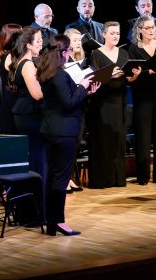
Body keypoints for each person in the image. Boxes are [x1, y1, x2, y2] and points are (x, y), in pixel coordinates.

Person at [36, 34, 99, 236]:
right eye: (69, 50)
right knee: (61, 179)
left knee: (52, 177)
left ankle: (51, 221)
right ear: (63, 52)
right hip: (64, 132)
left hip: (50, 130)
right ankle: (58, 222)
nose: (70, 54)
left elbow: (63, 100)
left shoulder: (45, 72)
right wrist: (82, 85)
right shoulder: (60, 74)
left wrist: (86, 93)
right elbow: (69, 102)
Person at [127, 14, 156, 185]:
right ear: (139, 30)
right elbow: (133, 72)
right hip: (142, 96)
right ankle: (143, 176)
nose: (151, 31)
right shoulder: (133, 48)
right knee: (143, 137)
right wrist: (150, 72)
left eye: (153, 27)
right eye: (147, 28)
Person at [8, 26, 46, 219]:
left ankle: (30, 211)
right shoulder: (28, 64)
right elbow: (37, 94)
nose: (41, 43)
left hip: (27, 115)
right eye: (38, 40)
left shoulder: (25, 61)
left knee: (34, 162)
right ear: (28, 45)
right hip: (29, 116)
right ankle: (33, 213)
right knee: (36, 163)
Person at [87, 21, 130, 188]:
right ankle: (102, 180)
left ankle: (118, 179)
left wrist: (132, 76)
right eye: (112, 33)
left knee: (118, 139)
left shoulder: (124, 53)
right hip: (102, 103)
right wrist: (110, 76)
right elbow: (96, 79)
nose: (115, 36)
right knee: (103, 139)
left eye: (117, 33)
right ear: (104, 35)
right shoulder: (96, 54)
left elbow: (128, 78)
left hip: (119, 100)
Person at [64, 28, 87, 193]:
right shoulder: (65, 62)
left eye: (80, 40)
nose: (78, 43)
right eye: (74, 40)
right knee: (68, 146)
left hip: (80, 107)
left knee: (75, 145)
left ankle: (69, 178)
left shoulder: (80, 60)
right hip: (68, 109)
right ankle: (64, 180)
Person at [0, 23, 23, 134]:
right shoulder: (9, 56)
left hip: (8, 103)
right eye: (21, 35)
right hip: (13, 104)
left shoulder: (0, 57)